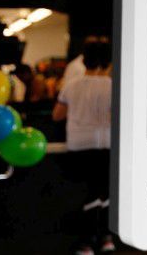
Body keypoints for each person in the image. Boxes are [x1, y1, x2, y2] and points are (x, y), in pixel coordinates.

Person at [53, 39, 115, 255]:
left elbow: (57, 115)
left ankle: (87, 242)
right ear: (108, 61)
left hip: (79, 145)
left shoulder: (71, 85)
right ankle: (106, 238)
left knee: (87, 193)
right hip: (107, 144)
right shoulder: (114, 86)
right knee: (104, 193)